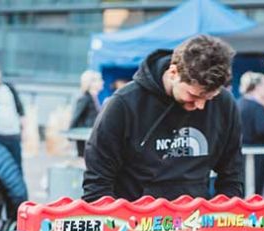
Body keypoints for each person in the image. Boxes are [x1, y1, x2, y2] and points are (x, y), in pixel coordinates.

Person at [82, 35, 244, 202]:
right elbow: (98, 181)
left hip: (195, 221)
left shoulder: (224, 103)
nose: (200, 105)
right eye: (193, 95)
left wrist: (224, 216)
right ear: (173, 73)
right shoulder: (124, 104)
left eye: (209, 97)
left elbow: (232, 174)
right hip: (135, 219)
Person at [69, 70, 103, 157]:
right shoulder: (84, 98)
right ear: (91, 83)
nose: (102, 82)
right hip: (84, 136)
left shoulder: (94, 98)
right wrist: (70, 134)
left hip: (91, 136)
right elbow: (76, 116)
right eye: (99, 80)